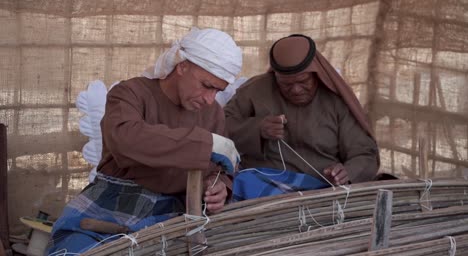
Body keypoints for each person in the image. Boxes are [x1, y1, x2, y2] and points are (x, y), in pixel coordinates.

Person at [47, 27, 243, 254]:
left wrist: (219, 186)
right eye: (207, 86)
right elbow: (126, 139)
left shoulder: (213, 113)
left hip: (176, 213)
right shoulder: (130, 93)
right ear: (182, 66)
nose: (210, 99)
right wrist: (204, 144)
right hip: (114, 202)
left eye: (218, 91)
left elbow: (221, 170)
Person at [225, 34, 379, 201]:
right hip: (263, 184)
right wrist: (257, 128)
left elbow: (365, 154)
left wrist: (347, 173)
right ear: (275, 76)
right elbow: (221, 126)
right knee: (240, 185)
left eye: (304, 81)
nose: (296, 90)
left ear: (316, 74)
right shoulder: (255, 90)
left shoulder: (336, 101)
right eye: (286, 84)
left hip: (322, 188)